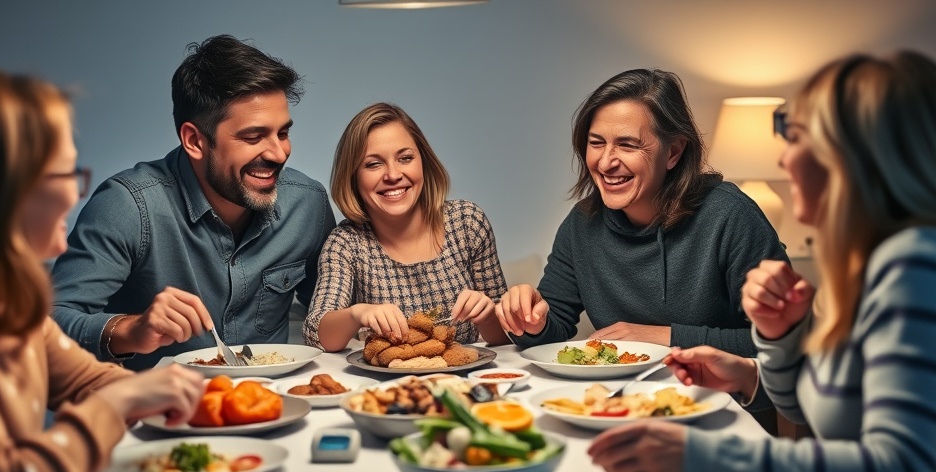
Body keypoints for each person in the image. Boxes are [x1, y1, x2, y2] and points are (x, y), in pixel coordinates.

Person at [587, 51, 936, 472]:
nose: (784, 156)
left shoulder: (913, 267)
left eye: (797, 137)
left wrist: (703, 458)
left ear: (858, 159)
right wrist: (757, 366)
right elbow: (815, 408)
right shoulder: (864, 265)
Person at [0, 66, 204, 472]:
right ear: (2, 188)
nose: (75, 194)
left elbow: (83, 379)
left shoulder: (1, 290)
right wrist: (119, 401)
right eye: (65, 174)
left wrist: (162, 391)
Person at [51, 34, 335, 370]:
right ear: (194, 140)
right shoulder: (128, 207)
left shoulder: (308, 204)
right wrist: (129, 329)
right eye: (253, 136)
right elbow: (50, 323)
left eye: (283, 133)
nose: (279, 152)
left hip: (275, 408)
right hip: (158, 413)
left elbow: (330, 314)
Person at [495, 68, 787, 362]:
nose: (606, 162)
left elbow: (785, 342)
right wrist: (532, 321)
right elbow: (553, 327)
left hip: (723, 401)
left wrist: (665, 337)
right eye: (596, 143)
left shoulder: (731, 216)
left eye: (627, 144)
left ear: (673, 151)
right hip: (622, 400)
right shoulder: (582, 222)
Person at [303, 102, 508, 352]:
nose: (392, 174)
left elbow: (505, 337)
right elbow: (317, 335)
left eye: (405, 158)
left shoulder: (467, 222)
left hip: (466, 381)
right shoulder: (345, 242)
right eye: (373, 164)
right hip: (386, 386)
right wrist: (357, 314)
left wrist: (487, 316)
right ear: (353, 176)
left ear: (424, 162)